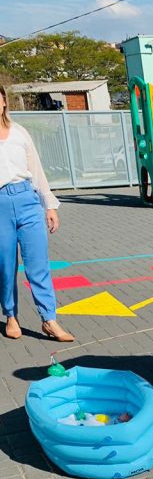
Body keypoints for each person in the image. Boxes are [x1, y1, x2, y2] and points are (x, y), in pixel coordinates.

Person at [0, 84, 74, 342]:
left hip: (27, 201)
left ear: (4, 102)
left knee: (38, 264)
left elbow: (37, 170)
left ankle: (49, 319)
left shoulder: (20, 132)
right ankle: (11, 315)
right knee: (5, 266)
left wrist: (49, 205)